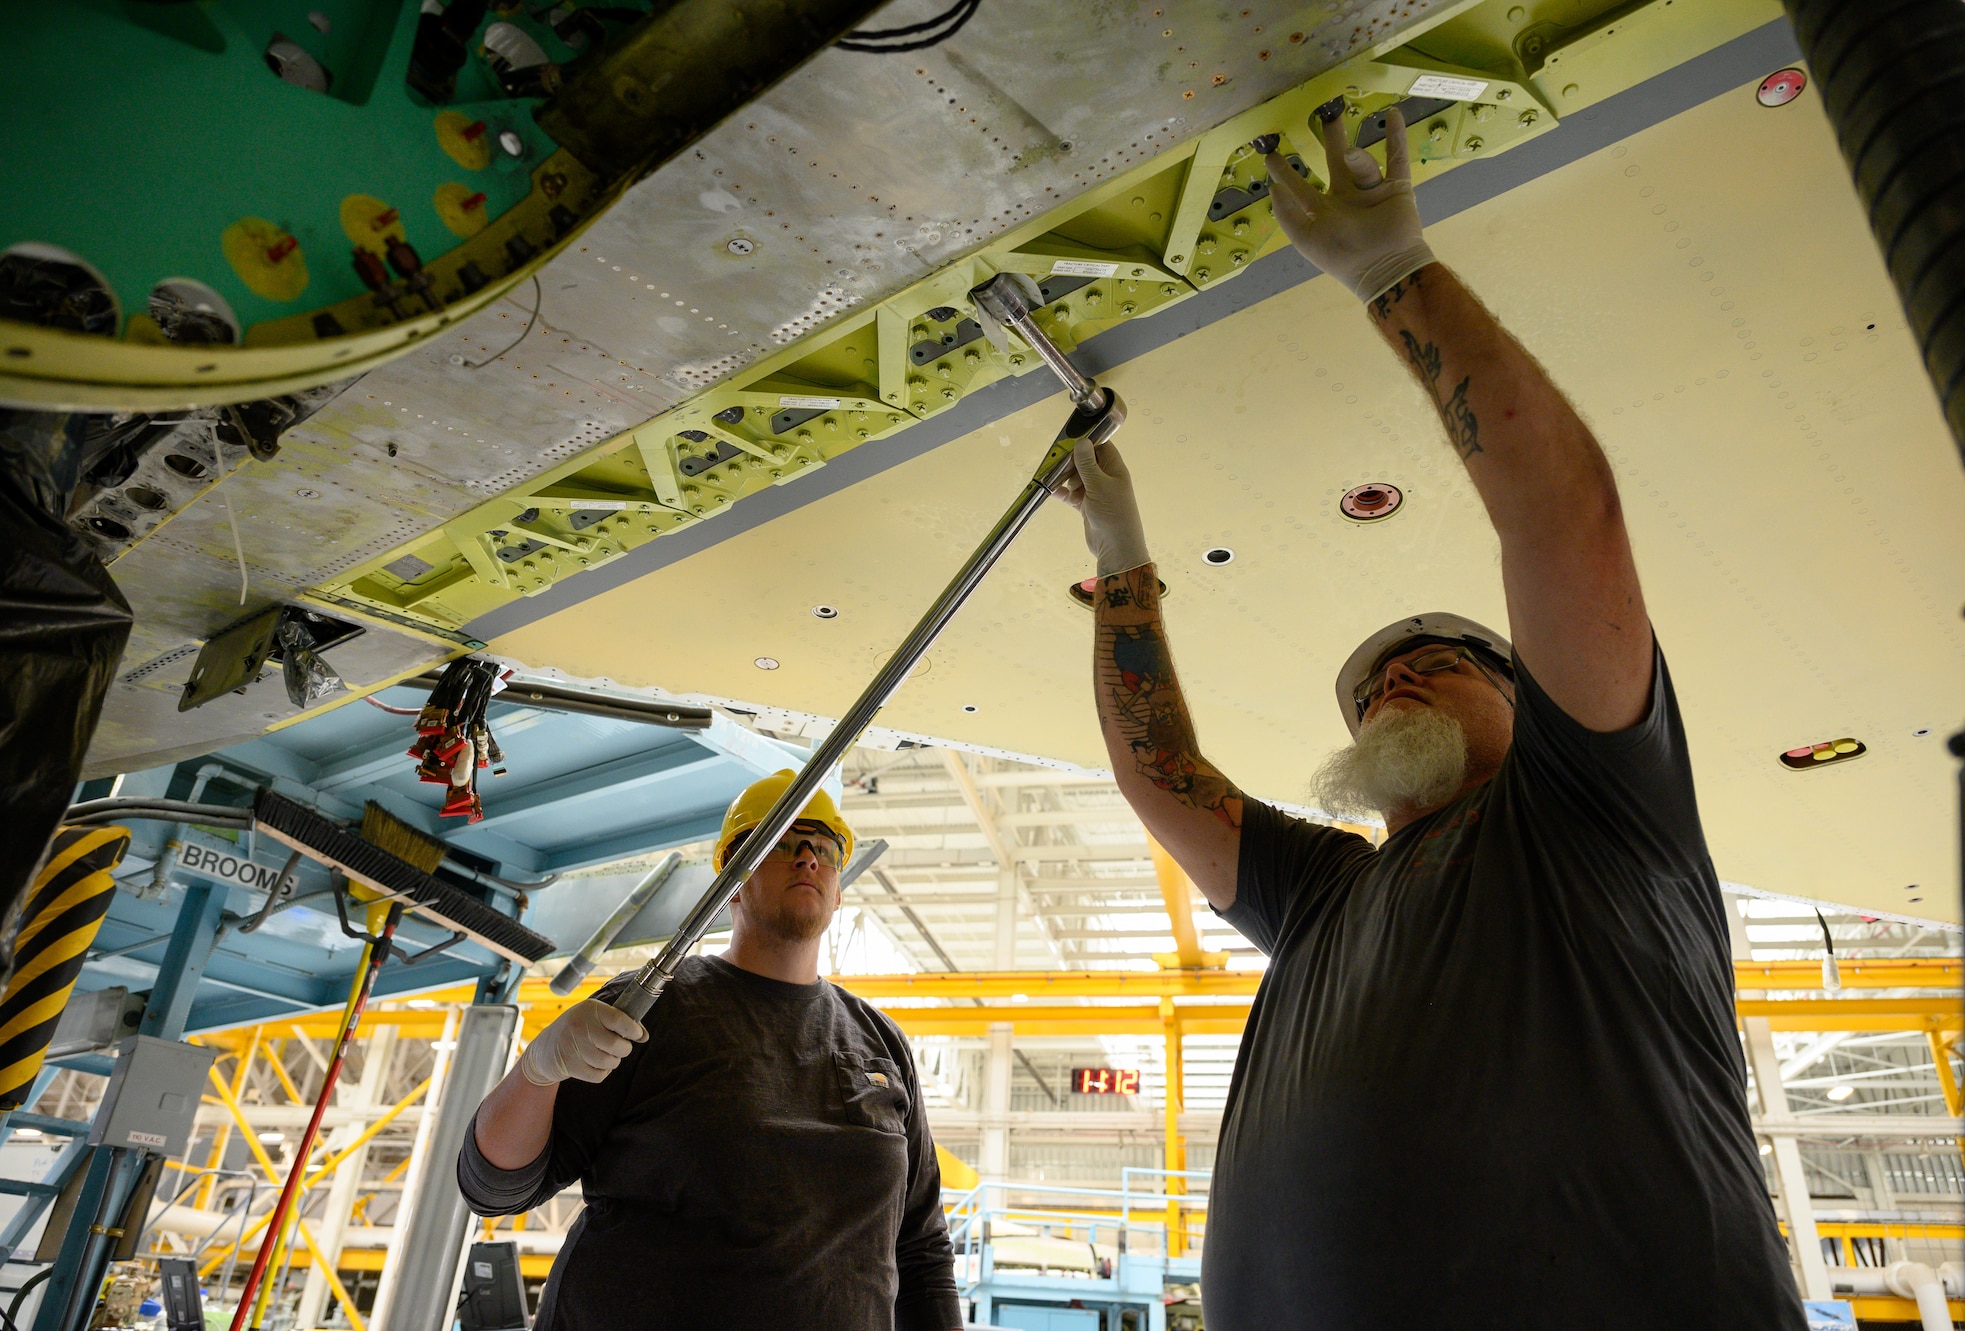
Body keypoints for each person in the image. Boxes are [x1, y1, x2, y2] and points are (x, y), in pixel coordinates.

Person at [1060, 103, 1802, 1329]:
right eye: (1368, 685)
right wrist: (1120, 558)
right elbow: (1162, 773)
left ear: (1527, 694)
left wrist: (1392, 274)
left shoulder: (1588, 812)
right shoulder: (1323, 893)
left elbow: (1562, 522)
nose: (1390, 680)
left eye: (1438, 659)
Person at [458, 771, 963, 1330]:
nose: (808, 860)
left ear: (840, 890)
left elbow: (921, 1246)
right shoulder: (649, 1008)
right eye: (782, 844)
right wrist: (537, 1071)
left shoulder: (880, 1041)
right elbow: (493, 1187)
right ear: (732, 877)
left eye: (823, 849)